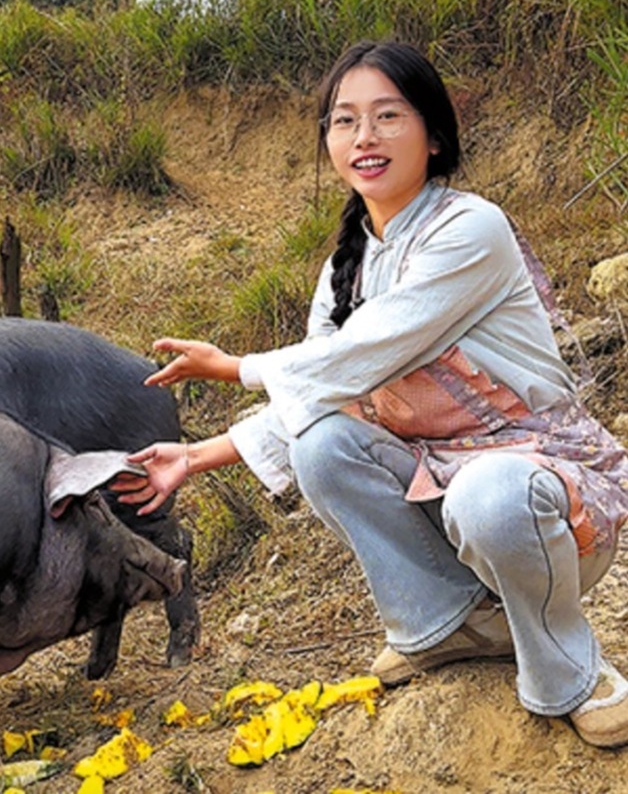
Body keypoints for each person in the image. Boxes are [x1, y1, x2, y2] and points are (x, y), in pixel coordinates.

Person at [110, 40, 628, 748]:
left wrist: (236, 367)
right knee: (322, 445)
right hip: (442, 495)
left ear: (433, 135)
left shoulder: (471, 228)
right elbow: (325, 391)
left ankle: (572, 669)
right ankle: (446, 624)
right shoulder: (343, 269)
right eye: (344, 120)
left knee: (490, 493)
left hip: (539, 500)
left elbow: (364, 352)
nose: (365, 138)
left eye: (388, 116)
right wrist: (195, 456)